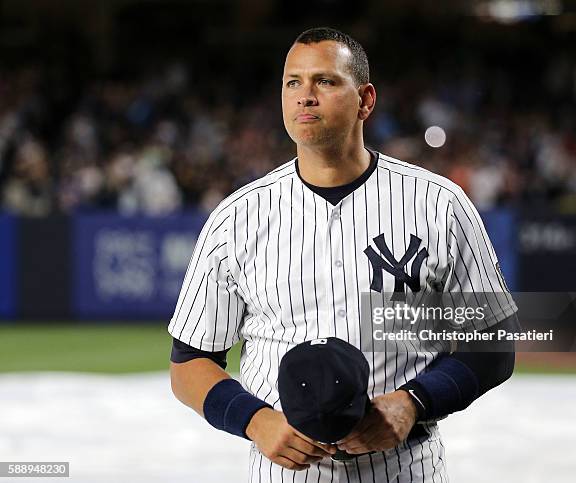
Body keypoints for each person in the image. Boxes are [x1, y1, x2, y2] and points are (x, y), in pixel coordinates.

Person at [168, 27, 520, 482]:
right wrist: (255, 420)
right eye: (292, 82)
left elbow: (494, 343)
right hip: (283, 474)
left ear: (366, 100)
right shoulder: (236, 218)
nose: (304, 97)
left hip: (406, 469)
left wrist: (414, 402)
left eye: (325, 81)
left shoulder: (438, 204)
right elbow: (189, 362)